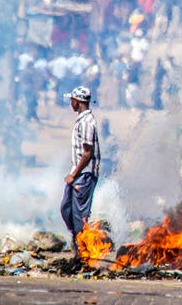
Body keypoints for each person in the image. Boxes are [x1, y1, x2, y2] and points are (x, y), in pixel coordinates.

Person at [60, 86, 101, 258]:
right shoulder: (82, 120)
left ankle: (83, 253)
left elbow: (87, 153)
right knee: (66, 209)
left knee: (80, 216)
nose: (71, 103)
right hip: (79, 174)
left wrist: (73, 174)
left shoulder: (86, 123)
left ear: (77, 102)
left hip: (84, 175)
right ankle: (78, 243)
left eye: (72, 100)